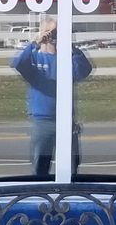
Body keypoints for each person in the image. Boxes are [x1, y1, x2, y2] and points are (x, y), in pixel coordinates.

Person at [11, 22, 92, 179]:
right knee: (40, 166)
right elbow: (19, 65)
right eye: (50, 32)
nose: (53, 36)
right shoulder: (34, 58)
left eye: (57, 32)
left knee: (71, 167)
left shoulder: (67, 59)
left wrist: (70, 46)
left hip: (66, 121)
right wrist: (36, 43)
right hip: (43, 121)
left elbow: (84, 70)